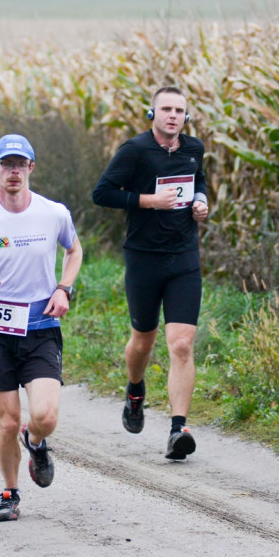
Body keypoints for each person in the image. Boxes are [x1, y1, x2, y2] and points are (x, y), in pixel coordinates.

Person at [0, 134, 83, 522]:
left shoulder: (53, 213)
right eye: (5, 164)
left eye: (20, 164)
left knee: (45, 416)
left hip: (42, 324)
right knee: (7, 420)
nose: (13, 172)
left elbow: (74, 250)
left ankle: (36, 440)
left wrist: (64, 288)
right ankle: (10, 493)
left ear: (31, 168)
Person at [91, 86, 210, 461]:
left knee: (181, 344)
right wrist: (149, 201)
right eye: (166, 109)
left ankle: (178, 429)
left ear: (186, 117)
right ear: (152, 114)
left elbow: (198, 179)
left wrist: (201, 200)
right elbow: (102, 193)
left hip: (184, 258)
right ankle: (135, 390)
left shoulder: (194, 149)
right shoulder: (135, 150)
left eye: (179, 110)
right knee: (143, 341)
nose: (173, 115)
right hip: (144, 259)